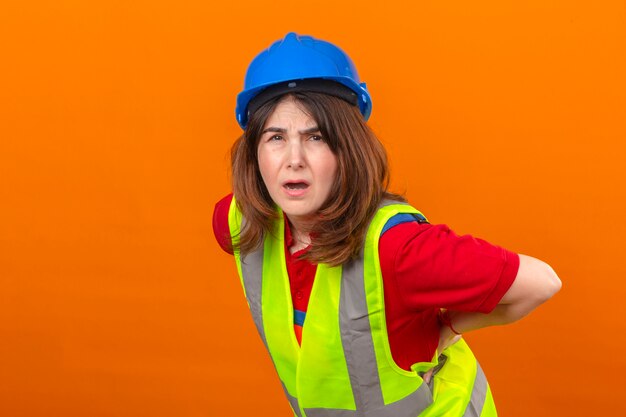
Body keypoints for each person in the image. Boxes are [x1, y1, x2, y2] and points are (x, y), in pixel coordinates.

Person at [213, 32, 561, 417]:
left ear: (349, 149)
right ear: (254, 154)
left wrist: (447, 329)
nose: (294, 159)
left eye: (316, 137)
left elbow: (542, 282)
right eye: (276, 137)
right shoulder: (241, 223)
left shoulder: (396, 247)